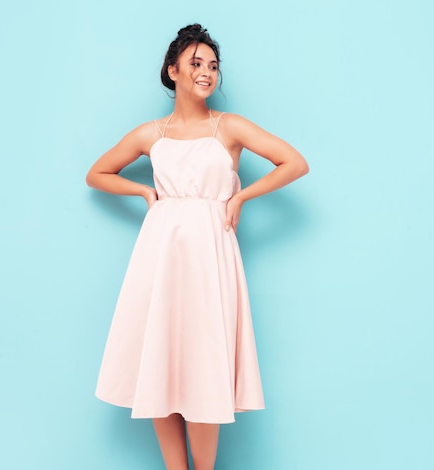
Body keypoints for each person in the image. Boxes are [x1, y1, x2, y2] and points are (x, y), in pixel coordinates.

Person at [86, 24, 309, 470]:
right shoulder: (152, 134)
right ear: (173, 71)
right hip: (160, 254)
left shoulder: (228, 127)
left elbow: (295, 162)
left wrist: (241, 195)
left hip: (211, 253)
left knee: (204, 360)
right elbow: (97, 173)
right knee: (160, 359)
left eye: (212, 66)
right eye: (196, 63)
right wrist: (144, 194)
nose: (206, 72)